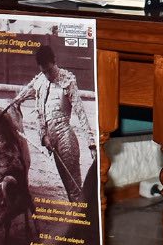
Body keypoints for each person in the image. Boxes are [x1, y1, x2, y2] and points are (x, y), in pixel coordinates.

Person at [8, 43, 98, 204]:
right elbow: (32, 108)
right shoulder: (40, 81)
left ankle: (84, 218)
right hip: (52, 142)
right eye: (44, 71)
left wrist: (91, 143)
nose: (48, 75)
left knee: (75, 188)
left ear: (54, 61)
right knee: (69, 189)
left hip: (66, 139)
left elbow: (81, 112)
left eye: (49, 70)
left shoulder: (67, 80)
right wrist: (44, 136)